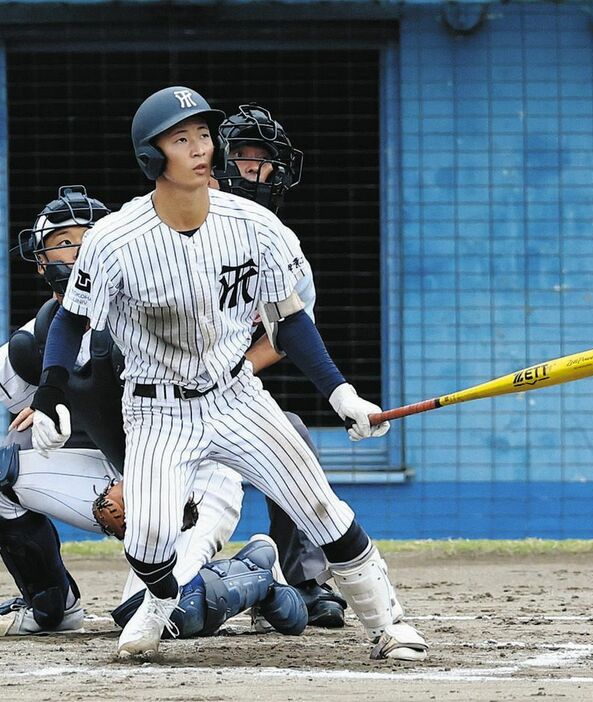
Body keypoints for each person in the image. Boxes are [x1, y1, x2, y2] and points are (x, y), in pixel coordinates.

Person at [29, 86, 428, 661]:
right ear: (152, 156)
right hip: (156, 410)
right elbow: (70, 323)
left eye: (204, 136)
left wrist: (342, 393)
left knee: (322, 509)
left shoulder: (256, 226)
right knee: (149, 539)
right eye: (181, 139)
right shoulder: (115, 239)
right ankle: (160, 600)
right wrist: (49, 395)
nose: (200, 148)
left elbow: (289, 322)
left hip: (236, 397)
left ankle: (388, 625)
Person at [0, 187, 307, 640]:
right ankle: (51, 605)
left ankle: (255, 575)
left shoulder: (155, 304)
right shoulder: (47, 328)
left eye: (88, 238)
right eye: (63, 241)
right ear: (40, 259)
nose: (76, 251)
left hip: (193, 476)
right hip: (119, 475)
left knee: (162, 615)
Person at [213, 103, 347, 628]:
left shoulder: (277, 244)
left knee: (290, 434)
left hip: (224, 397)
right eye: (243, 158)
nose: (256, 169)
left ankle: (304, 579)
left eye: (263, 160)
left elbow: (287, 332)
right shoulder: (169, 230)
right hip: (153, 402)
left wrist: (236, 369)